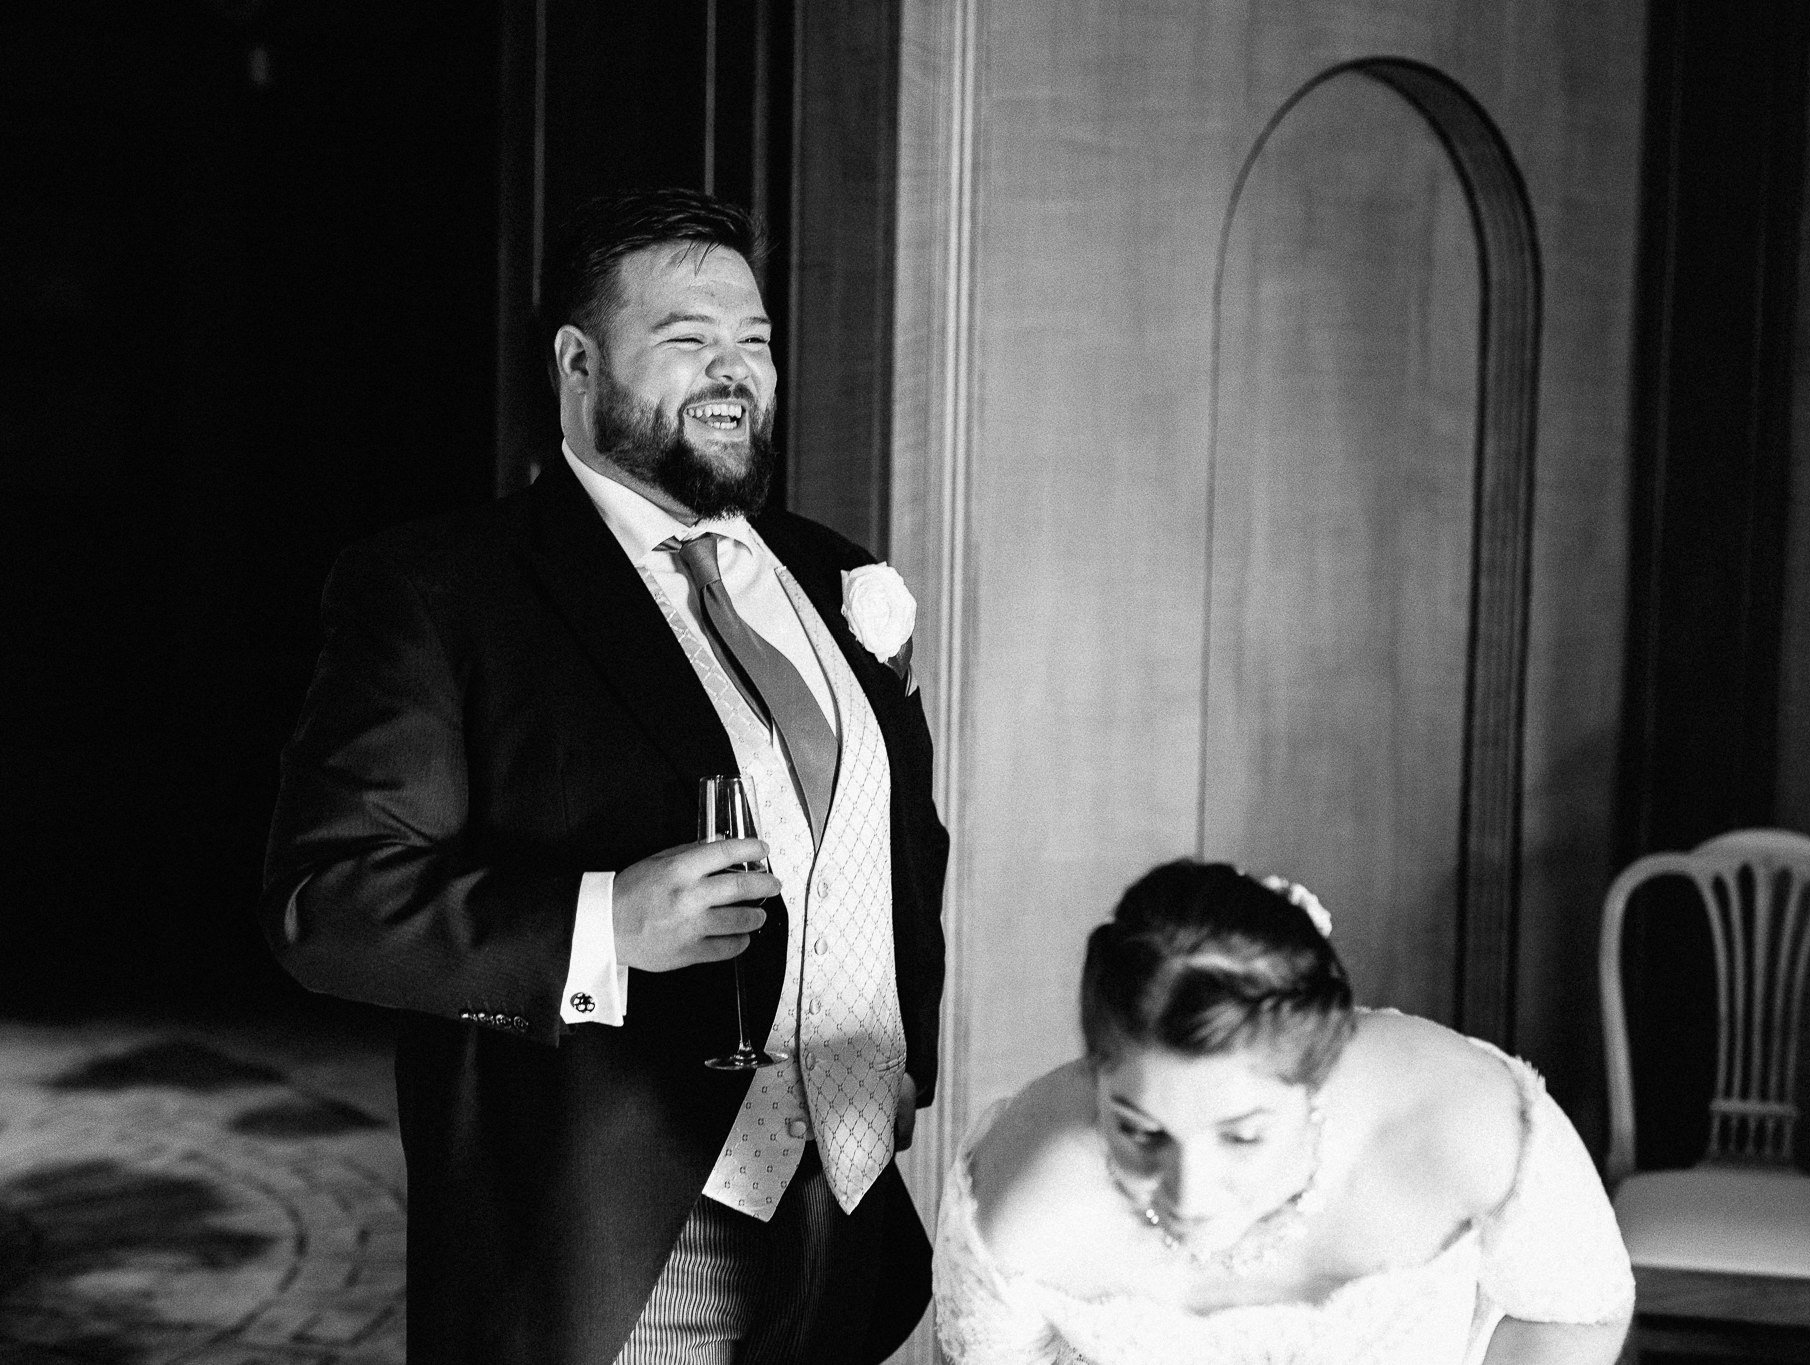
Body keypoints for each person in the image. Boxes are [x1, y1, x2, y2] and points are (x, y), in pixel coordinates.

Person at [262, 187, 950, 1364]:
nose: (733, 372)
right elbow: (327, 906)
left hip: (844, 1228)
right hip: (618, 1242)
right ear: (578, 364)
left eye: (755, 343)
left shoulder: (833, 575)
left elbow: (902, 846)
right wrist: (601, 926)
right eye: (687, 340)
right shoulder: (440, 590)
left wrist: (900, 1069)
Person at [935, 861, 1633, 1364]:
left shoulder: (1465, 1121)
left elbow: (1580, 1314)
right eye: (1140, 1131)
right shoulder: (1020, 1203)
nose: (1190, 1192)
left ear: (1319, 1075)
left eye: (1242, 1135)